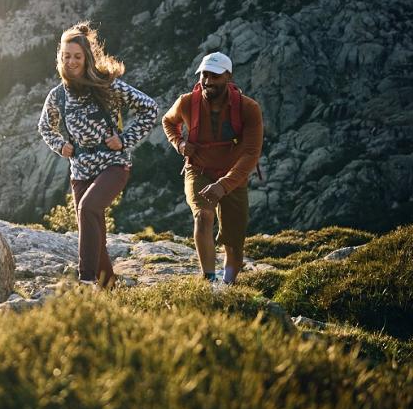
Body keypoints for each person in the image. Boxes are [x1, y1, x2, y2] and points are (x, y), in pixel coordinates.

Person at [38, 22, 158, 288]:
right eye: (66, 56)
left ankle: (86, 279)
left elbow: (149, 108)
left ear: (87, 58)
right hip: (80, 169)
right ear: (60, 58)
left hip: (113, 165)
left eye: (77, 56)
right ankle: (109, 290)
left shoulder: (108, 86)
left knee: (87, 208)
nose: (71, 62)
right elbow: (45, 126)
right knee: (93, 232)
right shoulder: (58, 96)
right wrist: (60, 145)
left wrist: (125, 139)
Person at [161, 52, 263, 285]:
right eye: (204, 75)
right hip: (199, 169)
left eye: (215, 76)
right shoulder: (187, 102)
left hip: (233, 175)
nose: (207, 81)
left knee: (234, 241)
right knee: (203, 215)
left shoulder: (248, 108)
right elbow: (168, 121)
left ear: (228, 76)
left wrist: (224, 185)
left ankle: (227, 284)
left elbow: (251, 153)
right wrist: (180, 143)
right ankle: (209, 280)